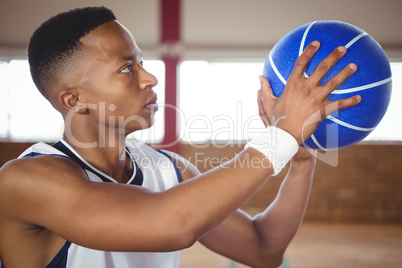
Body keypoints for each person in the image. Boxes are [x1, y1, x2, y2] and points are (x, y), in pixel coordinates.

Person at [0, 6, 360, 268]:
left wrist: (300, 163)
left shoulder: (169, 170)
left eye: (141, 61)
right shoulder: (24, 180)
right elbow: (172, 224)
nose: (149, 78)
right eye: (126, 67)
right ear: (74, 100)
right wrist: (281, 136)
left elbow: (263, 250)